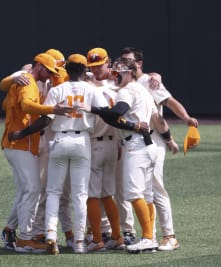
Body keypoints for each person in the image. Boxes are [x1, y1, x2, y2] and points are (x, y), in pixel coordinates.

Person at [8, 54, 109, 254]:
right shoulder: (91, 89)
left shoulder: (57, 90)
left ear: (67, 69)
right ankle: (79, 242)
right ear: (84, 70)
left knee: (53, 192)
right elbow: (105, 113)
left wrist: (23, 132)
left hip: (60, 140)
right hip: (82, 141)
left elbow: (45, 120)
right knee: (79, 194)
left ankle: (51, 235)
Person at [80, 57, 179, 253]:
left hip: (135, 144)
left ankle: (148, 238)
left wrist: (92, 109)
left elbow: (117, 113)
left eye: (118, 73)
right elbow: (157, 118)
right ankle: (151, 236)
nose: (114, 76)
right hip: (149, 144)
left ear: (129, 73)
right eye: (113, 73)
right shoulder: (143, 89)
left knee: (133, 193)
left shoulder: (126, 91)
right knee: (147, 194)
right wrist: (168, 138)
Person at [120, 46, 199, 251]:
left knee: (156, 189)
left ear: (139, 64)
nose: (126, 64)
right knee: (145, 192)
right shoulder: (124, 81)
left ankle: (170, 235)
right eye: (123, 60)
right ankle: (150, 236)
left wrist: (186, 119)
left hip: (153, 140)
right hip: (135, 141)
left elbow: (169, 103)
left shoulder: (149, 81)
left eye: (130, 61)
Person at [0, 49, 75, 250]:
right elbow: (19, 100)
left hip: (30, 140)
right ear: (40, 65)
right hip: (22, 141)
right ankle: (27, 236)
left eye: (57, 69)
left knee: (29, 190)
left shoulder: (47, 78)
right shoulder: (26, 78)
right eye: (51, 69)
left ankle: (17, 232)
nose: (53, 73)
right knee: (33, 189)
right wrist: (52, 109)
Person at [84, 47, 124, 252]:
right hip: (111, 143)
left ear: (108, 62)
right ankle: (117, 236)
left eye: (99, 65)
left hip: (96, 144)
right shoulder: (119, 86)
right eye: (93, 66)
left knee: (92, 194)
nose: (96, 69)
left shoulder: (90, 88)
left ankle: (97, 239)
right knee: (107, 194)